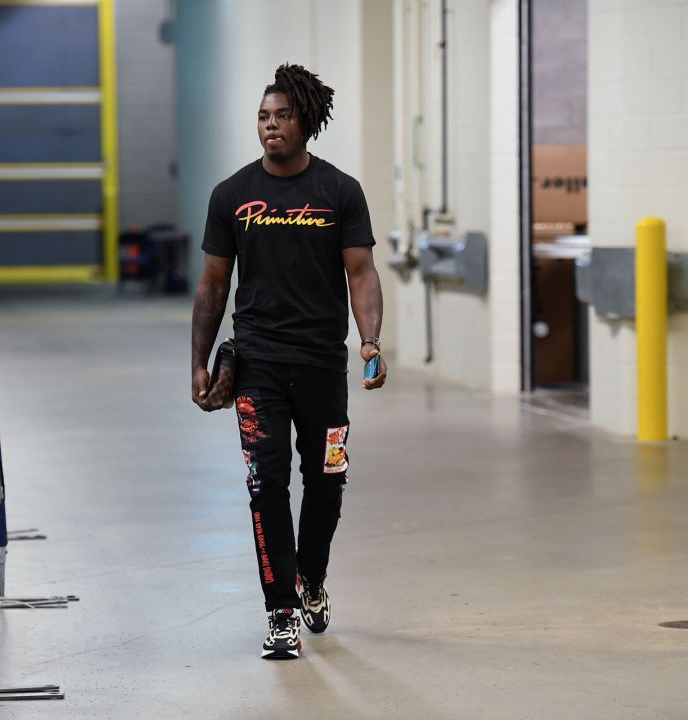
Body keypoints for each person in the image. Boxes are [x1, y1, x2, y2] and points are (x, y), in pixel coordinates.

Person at [190, 64, 388, 661]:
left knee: (327, 480)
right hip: (257, 365)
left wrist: (371, 342)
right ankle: (280, 611)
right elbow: (212, 286)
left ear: (306, 121)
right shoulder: (231, 196)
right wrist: (199, 361)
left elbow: (361, 272)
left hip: (323, 364)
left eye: (281, 117)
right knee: (265, 484)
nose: (270, 127)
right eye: (263, 117)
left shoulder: (339, 191)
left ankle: (313, 579)